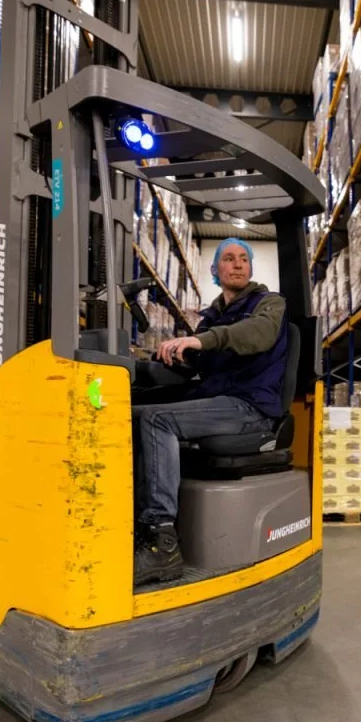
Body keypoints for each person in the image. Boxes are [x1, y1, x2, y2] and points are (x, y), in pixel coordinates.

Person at [133, 238, 289, 587]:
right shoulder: (214, 316)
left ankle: (162, 541)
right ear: (215, 271)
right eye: (229, 259)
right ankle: (132, 523)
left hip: (251, 407)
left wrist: (201, 341)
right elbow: (196, 364)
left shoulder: (268, 305)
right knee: (130, 412)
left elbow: (256, 335)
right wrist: (161, 359)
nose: (238, 264)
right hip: (221, 401)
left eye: (244, 259)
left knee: (159, 420)